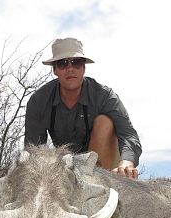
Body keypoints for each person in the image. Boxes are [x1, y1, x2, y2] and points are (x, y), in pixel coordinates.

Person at [24, 37, 142, 179]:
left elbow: (128, 134)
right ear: (54, 70)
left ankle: (100, 182)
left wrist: (127, 162)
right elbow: (34, 150)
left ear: (84, 67)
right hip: (65, 165)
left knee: (104, 122)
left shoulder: (104, 96)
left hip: (105, 166)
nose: (70, 69)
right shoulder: (39, 101)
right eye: (62, 63)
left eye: (77, 63)